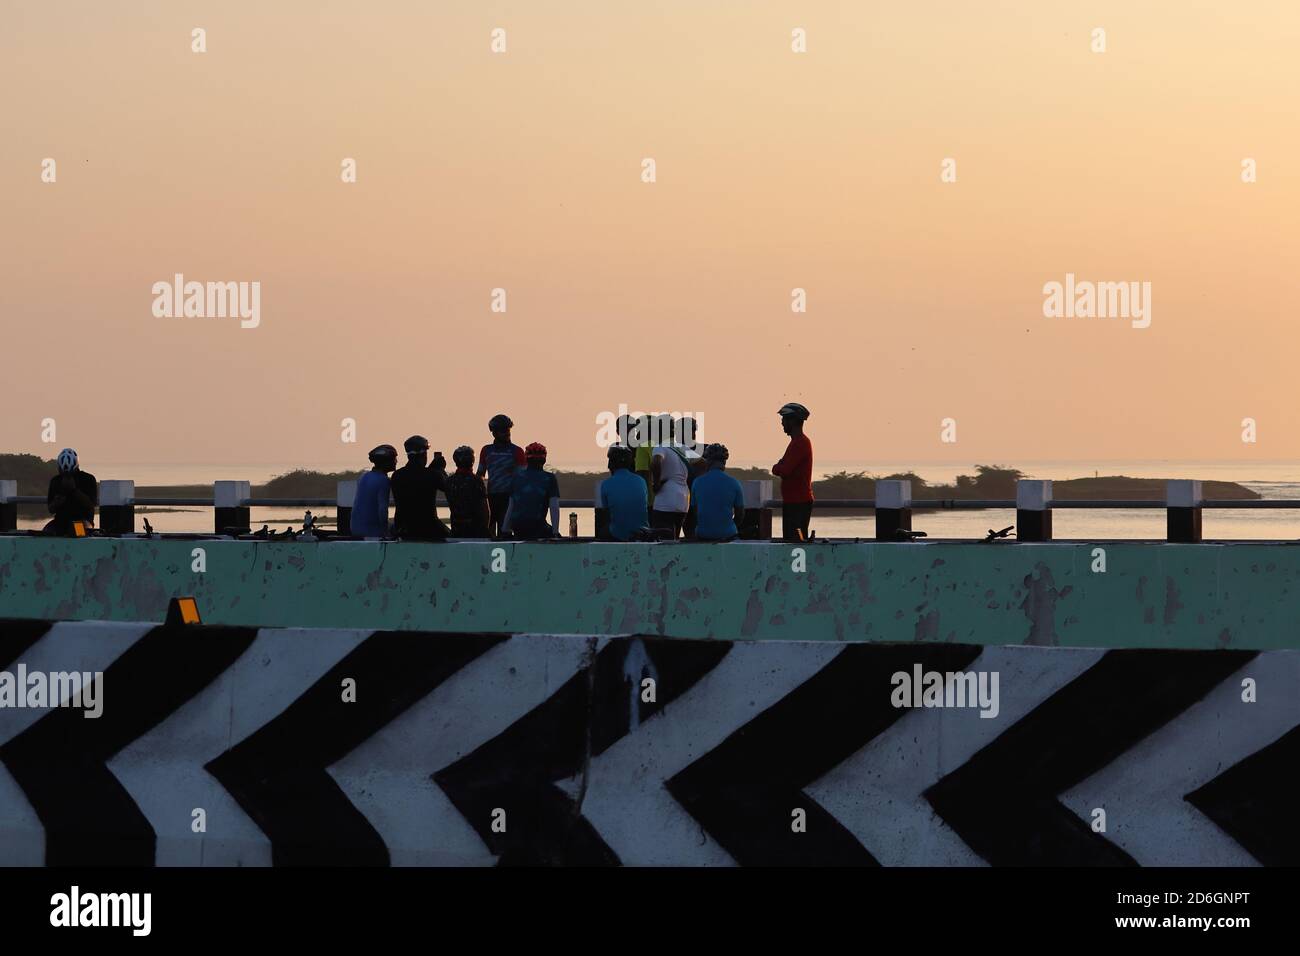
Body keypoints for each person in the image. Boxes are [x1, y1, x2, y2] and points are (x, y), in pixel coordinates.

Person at [390, 435, 450, 540]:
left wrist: (433, 470)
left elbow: (417, 478)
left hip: (403, 528)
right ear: (424, 454)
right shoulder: (432, 475)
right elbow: (449, 487)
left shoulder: (397, 476)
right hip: (429, 528)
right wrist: (440, 470)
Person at [477, 414, 526, 537]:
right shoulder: (486, 450)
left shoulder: (517, 451)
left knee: (505, 534)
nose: (507, 433)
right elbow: (479, 475)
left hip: (509, 499)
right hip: (490, 499)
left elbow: (523, 478)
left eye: (508, 430)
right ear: (494, 433)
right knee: (488, 535)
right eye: (503, 430)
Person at [773, 402, 814, 541]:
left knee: (797, 542)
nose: (782, 423)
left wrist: (778, 466)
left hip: (798, 503)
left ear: (793, 421)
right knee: (791, 541)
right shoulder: (795, 443)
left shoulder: (800, 443)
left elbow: (784, 470)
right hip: (793, 502)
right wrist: (780, 466)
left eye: (784, 420)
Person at [503, 442, 561, 540]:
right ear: (544, 459)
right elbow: (554, 507)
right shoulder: (549, 478)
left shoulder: (516, 477)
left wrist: (504, 530)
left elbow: (511, 507)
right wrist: (555, 533)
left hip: (517, 527)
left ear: (527, 459)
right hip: (537, 526)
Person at [690, 443, 746, 542]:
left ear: (708, 461)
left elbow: (695, 512)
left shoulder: (697, 482)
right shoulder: (734, 483)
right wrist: (727, 527)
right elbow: (740, 514)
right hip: (728, 534)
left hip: (703, 534)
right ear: (724, 462)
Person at [650, 417, 691, 538]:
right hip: (683, 501)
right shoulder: (683, 448)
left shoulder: (661, 446)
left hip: (666, 500)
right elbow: (703, 464)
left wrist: (656, 483)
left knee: (661, 541)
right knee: (675, 540)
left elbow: (656, 461)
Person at [598, 445, 649, 541]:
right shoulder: (641, 481)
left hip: (617, 535)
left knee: (603, 530)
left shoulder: (605, 484)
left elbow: (606, 514)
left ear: (610, 464)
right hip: (643, 533)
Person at [45, 448, 97, 535]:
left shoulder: (88, 479)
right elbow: (51, 509)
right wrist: (59, 499)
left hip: (83, 521)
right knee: (46, 532)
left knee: (75, 531)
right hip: (60, 522)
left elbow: (91, 504)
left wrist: (74, 490)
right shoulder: (56, 481)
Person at [351, 444, 397, 537]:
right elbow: (383, 511)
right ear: (385, 462)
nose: (396, 461)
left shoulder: (364, 476)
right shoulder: (383, 480)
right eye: (394, 459)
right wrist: (386, 534)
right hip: (371, 531)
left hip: (355, 528)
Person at [445, 445, 490, 537]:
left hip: (456, 529)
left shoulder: (450, 481)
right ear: (472, 461)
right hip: (476, 530)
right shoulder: (476, 481)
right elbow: (484, 510)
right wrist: (486, 531)